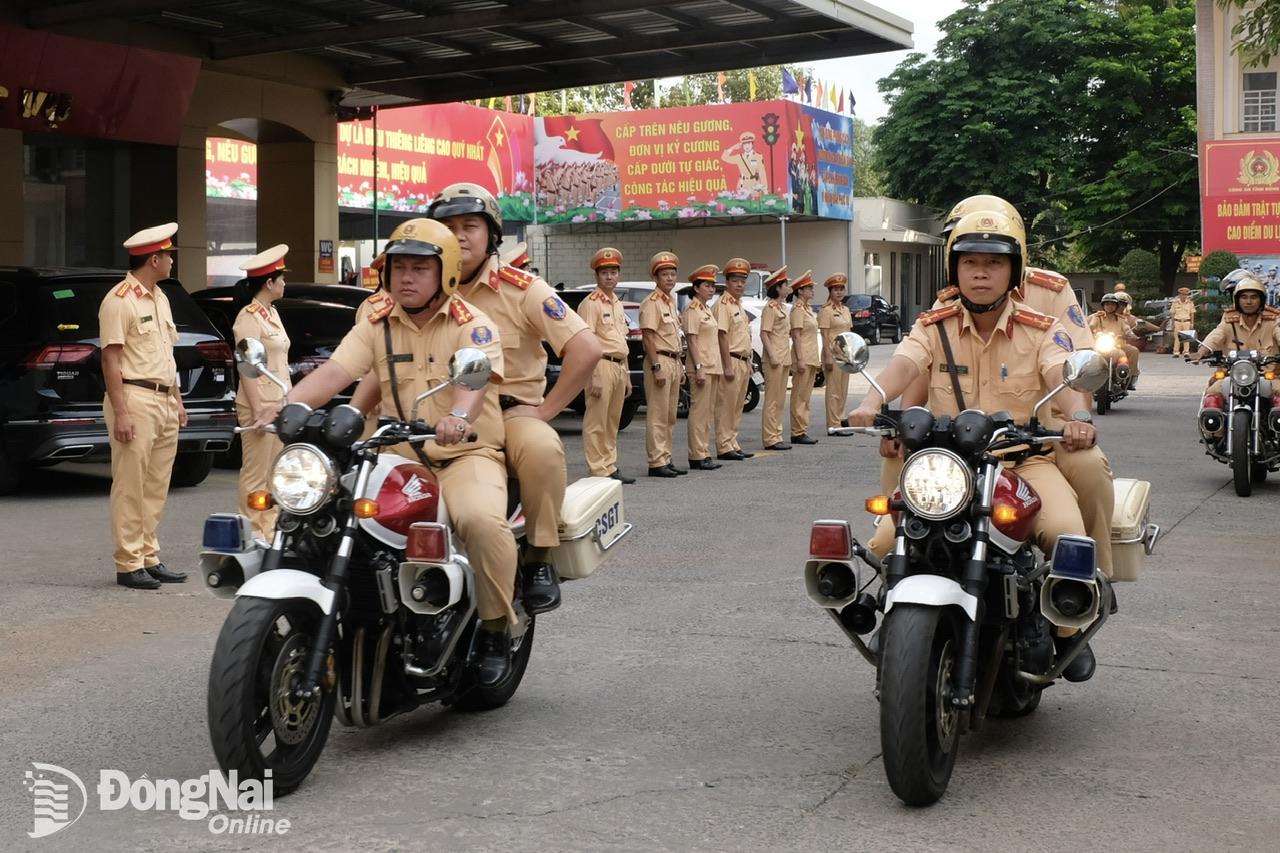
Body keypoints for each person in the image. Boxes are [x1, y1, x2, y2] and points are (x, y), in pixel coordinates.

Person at [848, 210, 1103, 681]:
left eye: (993, 262)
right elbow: (904, 365)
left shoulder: (1040, 327)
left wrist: (1079, 416)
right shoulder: (934, 325)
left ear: (1014, 271)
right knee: (886, 541)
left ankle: (1069, 630)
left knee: (1068, 533)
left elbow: (1059, 373)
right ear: (954, 270)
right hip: (948, 468)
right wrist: (869, 401)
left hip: (1021, 464)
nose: (981, 272)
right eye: (969, 263)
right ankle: (894, 614)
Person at [267, 218, 518, 687]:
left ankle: (496, 629)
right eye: (398, 267)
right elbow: (334, 374)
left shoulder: (474, 326)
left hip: (464, 454)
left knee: (483, 524)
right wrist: (290, 408)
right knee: (330, 514)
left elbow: (473, 385)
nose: (405, 277)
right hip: (395, 453)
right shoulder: (377, 325)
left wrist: (459, 417)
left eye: (419, 269)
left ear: (443, 273)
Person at [428, 183, 600, 615]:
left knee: (541, 447)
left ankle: (541, 558)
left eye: (470, 226)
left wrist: (544, 411)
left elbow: (587, 349)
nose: (460, 236)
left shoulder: (523, 289)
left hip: (509, 416)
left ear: (492, 235)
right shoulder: (425, 291)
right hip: (441, 418)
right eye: (448, 227)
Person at [99, 222, 188, 590]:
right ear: (154, 259)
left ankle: (148, 556)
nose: (171, 261)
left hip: (164, 398)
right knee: (131, 485)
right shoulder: (119, 300)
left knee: (155, 485)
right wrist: (121, 412)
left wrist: (178, 402)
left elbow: (165, 355)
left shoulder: (160, 297)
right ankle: (128, 562)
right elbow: (110, 359)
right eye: (168, 255)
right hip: (134, 399)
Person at [231, 244, 292, 541]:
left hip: (279, 401)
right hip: (260, 403)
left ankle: (271, 529)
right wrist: (256, 409)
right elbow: (246, 366)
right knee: (256, 473)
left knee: (274, 471)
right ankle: (253, 530)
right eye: (281, 278)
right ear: (269, 283)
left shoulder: (271, 313)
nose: (284, 283)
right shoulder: (249, 317)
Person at [577, 247, 634, 483]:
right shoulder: (590, 303)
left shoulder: (616, 303)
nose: (610, 277)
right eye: (605, 273)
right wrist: (593, 376)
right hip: (600, 365)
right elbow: (585, 341)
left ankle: (610, 465)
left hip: (619, 366)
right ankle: (597, 468)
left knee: (612, 420)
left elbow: (622, 340)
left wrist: (628, 374)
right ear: (597, 276)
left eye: (613, 272)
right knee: (596, 420)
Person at [640, 251, 686, 477]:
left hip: (674, 361)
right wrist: (656, 366)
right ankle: (656, 461)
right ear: (656, 279)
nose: (669, 278)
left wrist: (681, 366)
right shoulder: (652, 303)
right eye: (665, 275)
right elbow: (648, 336)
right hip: (660, 360)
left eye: (672, 274)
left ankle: (666, 457)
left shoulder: (670, 302)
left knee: (670, 414)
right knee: (658, 414)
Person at [1192, 276, 1280, 390]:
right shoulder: (1230, 321)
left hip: (1268, 377)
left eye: (1254, 297)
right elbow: (1216, 335)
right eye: (1244, 297)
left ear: (1261, 301)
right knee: (1212, 396)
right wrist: (1201, 352)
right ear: (1237, 300)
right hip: (1231, 376)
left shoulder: (1272, 321)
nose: (1248, 302)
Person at [681, 264, 724, 470]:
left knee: (708, 412)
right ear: (696, 288)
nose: (711, 289)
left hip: (712, 366)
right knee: (699, 412)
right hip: (701, 366)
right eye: (707, 285)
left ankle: (704, 452)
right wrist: (698, 366)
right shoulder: (692, 310)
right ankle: (696, 454)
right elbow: (692, 340)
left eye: (712, 285)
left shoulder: (706, 309)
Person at [714, 258, 755, 461]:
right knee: (726, 405)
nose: (739, 284)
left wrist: (749, 362)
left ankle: (732, 442)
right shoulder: (723, 305)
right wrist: (727, 365)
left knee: (737, 405)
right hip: (730, 359)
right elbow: (722, 336)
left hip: (743, 360)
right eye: (735, 280)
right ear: (727, 283)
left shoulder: (738, 304)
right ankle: (723, 445)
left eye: (742, 280)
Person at [760, 267, 793, 450]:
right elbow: (764, 333)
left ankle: (777, 434)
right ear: (778, 288)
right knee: (772, 400)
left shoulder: (781, 307)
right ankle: (770, 437)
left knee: (780, 400)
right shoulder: (770, 308)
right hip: (774, 359)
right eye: (785, 285)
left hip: (783, 358)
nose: (788, 287)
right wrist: (772, 355)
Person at [817, 274, 854, 433]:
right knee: (833, 390)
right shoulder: (826, 311)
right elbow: (824, 335)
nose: (839, 292)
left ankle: (840, 418)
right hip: (832, 354)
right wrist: (826, 357)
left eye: (841, 289)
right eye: (835, 290)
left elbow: (850, 333)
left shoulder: (845, 309)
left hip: (845, 354)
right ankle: (833, 424)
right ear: (830, 292)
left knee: (843, 389)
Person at [788, 270, 820, 445]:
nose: (812, 290)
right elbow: (796, 335)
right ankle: (797, 431)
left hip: (811, 356)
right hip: (803, 357)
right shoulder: (798, 309)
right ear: (800, 291)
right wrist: (799, 359)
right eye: (808, 288)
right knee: (799, 395)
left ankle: (802, 429)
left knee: (805, 396)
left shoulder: (807, 309)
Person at [1088, 293, 1141, 386]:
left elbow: (1127, 329)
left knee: (1133, 351)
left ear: (1116, 306)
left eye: (1112, 304)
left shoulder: (1121, 319)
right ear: (1103, 306)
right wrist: (1090, 331)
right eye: (1107, 304)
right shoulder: (1097, 317)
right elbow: (1091, 326)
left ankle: (1129, 377)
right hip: (1100, 345)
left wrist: (1131, 335)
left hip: (1118, 345)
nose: (1110, 306)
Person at [1170, 287, 1197, 356]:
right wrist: (1172, 323)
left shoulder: (1190, 303)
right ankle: (1176, 352)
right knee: (1177, 337)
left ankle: (1186, 352)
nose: (1184, 296)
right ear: (1179, 295)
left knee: (1187, 337)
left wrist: (1192, 323)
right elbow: (1172, 313)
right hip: (1177, 321)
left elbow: (1192, 314)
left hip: (1186, 321)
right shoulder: (1175, 303)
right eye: (1182, 294)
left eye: (1185, 295)